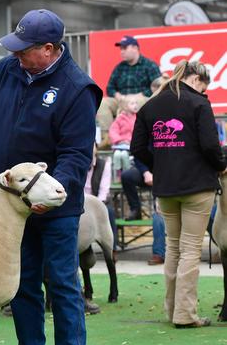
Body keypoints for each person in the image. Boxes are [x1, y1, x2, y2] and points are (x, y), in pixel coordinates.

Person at [0, 9, 102, 345]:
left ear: (48, 49)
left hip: (56, 208)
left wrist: (49, 194)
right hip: (11, 207)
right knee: (22, 284)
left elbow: (76, 155)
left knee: (62, 284)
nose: (17, 54)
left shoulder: (78, 88)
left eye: (24, 49)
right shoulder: (5, 70)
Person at [131, 60, 226, 328]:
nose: (204, 92)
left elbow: (136, 147)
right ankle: (185, 315)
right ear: (196, 79)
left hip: (166, 187)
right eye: (204, 87)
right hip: (198, 186)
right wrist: (221, 167)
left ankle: (172, 309)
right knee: (190, 250)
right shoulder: (199, 103)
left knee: (173, 248)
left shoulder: (151, 104)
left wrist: (159, 164)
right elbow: (210, 145)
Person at [97, 35, 161, 142]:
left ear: (135, 48)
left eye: (125, 48)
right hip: (121, 99)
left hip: (141, 99)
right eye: (121, 49)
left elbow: (158, 86)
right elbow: (110, 88)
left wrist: (138, 95)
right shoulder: (119, 67)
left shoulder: (149, 65)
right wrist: (119, 96)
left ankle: (136, 138)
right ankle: (107, 138)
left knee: (137, 102)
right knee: (102, 103)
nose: (122, 51)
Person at [108, 93, 140, 182]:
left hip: (131, 144)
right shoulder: (120, 118)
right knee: (118, 155)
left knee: (125, 155)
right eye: (132, 103)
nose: (135, 105)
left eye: (136, 103)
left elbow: (139, 132)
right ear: (125, 107)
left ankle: (126, 174)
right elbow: (113, 130)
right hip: (120, 144)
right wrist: (119, 140)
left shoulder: (138, 118)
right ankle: (118, 174)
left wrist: (131, 141)